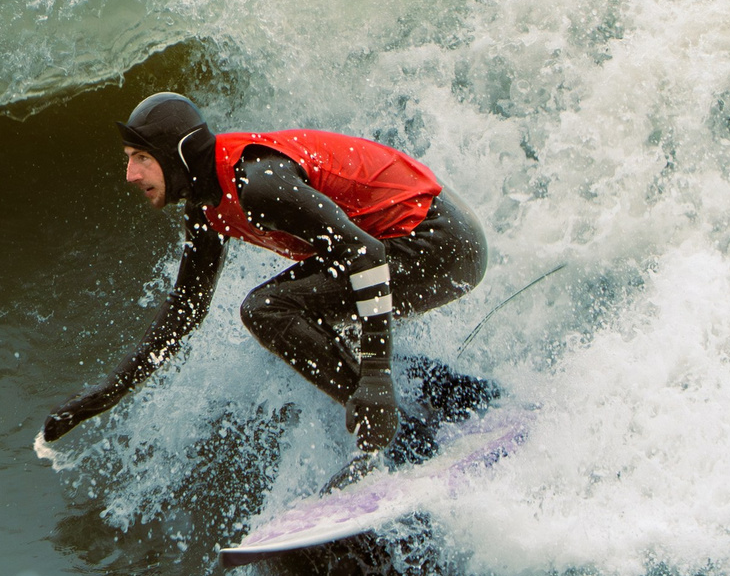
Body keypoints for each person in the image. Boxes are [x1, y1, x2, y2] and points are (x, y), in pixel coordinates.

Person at [40, 92, 496, 469]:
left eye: (141, 158)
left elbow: (366, 254)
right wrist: (106, 394)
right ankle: (459, 397)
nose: (130, 174)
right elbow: (186, 309)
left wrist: (374, 379)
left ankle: (403, 435)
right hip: (417, 243)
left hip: (439, 242)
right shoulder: (206, 206)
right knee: (314, 319)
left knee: (269, 308)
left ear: (178, 155)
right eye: (128, 159)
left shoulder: (256, 184)